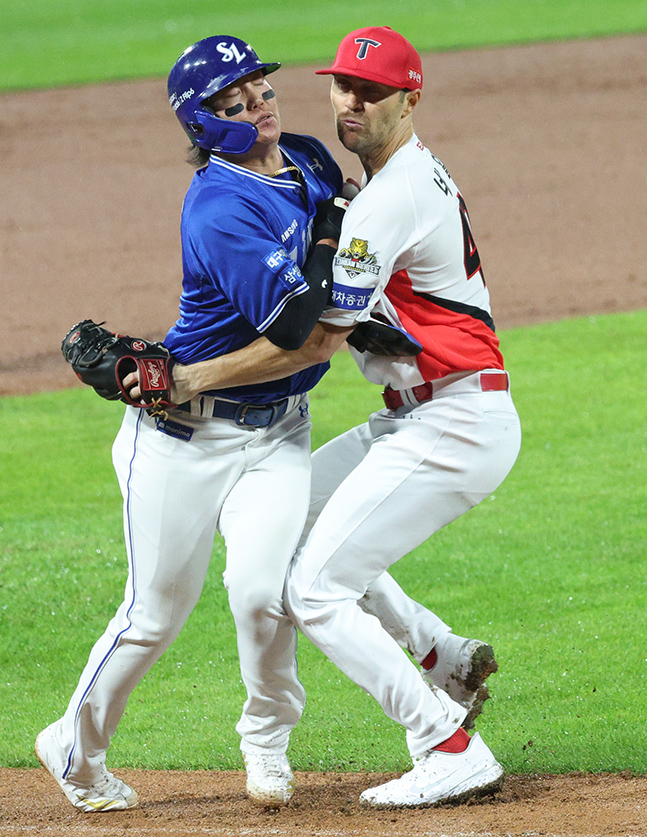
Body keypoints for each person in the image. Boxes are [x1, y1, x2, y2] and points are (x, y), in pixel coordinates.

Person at [35, 33, 498, 813]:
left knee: (266, 590)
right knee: (153, 615)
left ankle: (267, 740)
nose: (259, 107)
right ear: (203, 123)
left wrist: (345, 254)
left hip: (280, 429)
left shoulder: (311, 160)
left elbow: (341, 267)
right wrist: (330, 236)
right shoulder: (218, 208)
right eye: (234, 102)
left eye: (262, 92)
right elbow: (293, 329)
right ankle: (74, 747)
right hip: (185, 433)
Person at [162, 26, 522, 808]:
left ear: (409, 98)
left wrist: (189, 377)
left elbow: (310, 341)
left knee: (315, 590)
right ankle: (439, 653)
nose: (351, 103)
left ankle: (444, 741)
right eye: (342, 87)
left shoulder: (383, 200)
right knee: (293, 524)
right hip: (426, 412)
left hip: (454, 420)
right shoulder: (392, 178)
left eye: (372, 91)